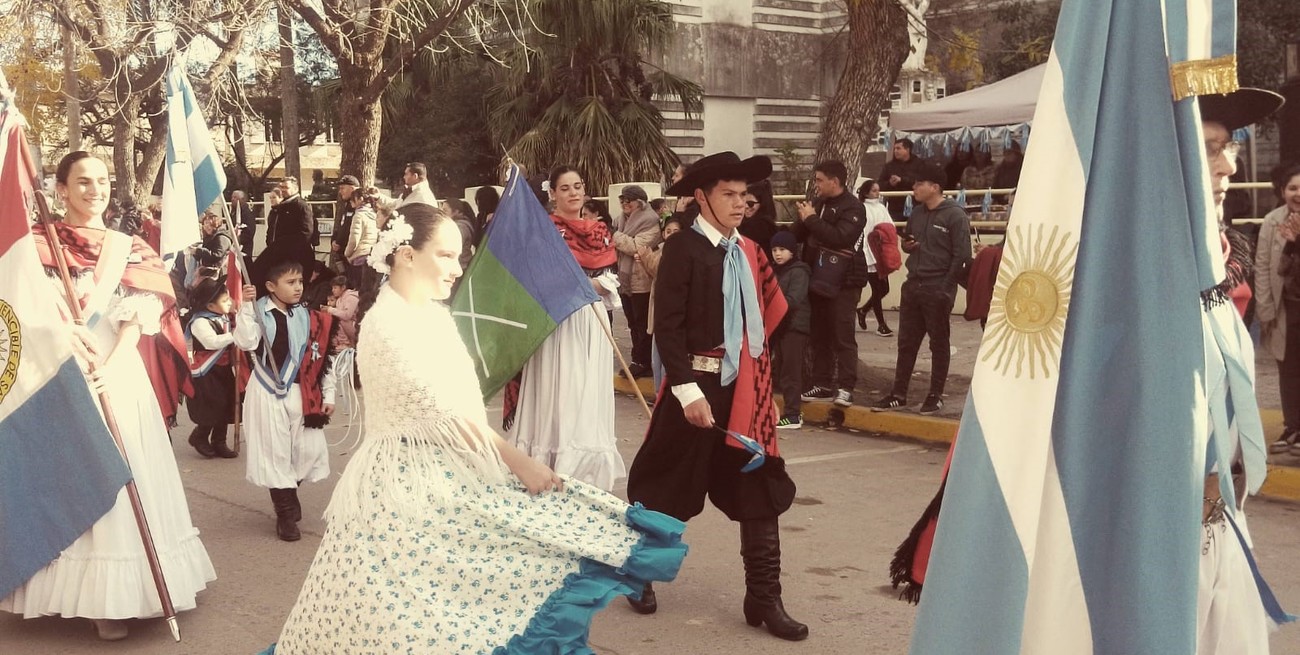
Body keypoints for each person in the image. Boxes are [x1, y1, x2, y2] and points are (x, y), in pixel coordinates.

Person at [255, 205, 686, 655]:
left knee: (447, 606)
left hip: (444, 469)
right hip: (405, 487)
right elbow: (442, 415)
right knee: (406, 619)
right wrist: (519, 462)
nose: (457, 269)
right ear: (405, 255)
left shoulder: (426, 313)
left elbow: (458, 407)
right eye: (445, 256)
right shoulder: (389, 323)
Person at [1, 152, 215, 641]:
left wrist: (114, 364)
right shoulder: (35, 247)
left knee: (124, 468)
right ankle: (84, 596)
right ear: (60, 189)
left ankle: (128, 591)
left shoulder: (131, 247)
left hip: (117, 371)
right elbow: (18, 308)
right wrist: (57, 335)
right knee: (71, 470)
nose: (94, 189)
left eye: (101, 180)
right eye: (82, 181)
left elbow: (140, 315)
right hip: (58, 369)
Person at [625, 151, 806, 641]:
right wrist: (687, 391)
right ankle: (639, 575)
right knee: (664, 487)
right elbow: (668, 328)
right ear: (701, 197)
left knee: (758, 484)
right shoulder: (684, 249)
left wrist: (761, 384)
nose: (739, 203)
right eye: (727, 194)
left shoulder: (750, 250)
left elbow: (776, 314)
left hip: (742, 389)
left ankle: (765, 597)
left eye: (743, 195)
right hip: (694, 387)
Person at [505, 167, 625, 491]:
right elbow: (536, 276)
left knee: (587, 387)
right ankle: (550, 464)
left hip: (592, 318)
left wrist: (596, 284)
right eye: (565, 188)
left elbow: (612, 275)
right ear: (553, 194)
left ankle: (586, 469)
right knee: (561, 386)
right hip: (557, 319)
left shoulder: (601, 231)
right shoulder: (544, 230)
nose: (573, 193)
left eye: (578, 186)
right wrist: (578, 284)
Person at [234, 237, 338, 542]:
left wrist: (328, 394)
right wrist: (244, 308)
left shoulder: (309, 317)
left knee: (308, 450)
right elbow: (246, 342)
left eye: (300, 281)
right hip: (267, 390)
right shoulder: (257, 312)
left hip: (301, 392)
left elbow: (321, 360)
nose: (298, 287)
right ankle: (285, 513)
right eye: (290, 282)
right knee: (275, 452)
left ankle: (289, 494)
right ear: (270, 286)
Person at [872, 165, 971, 416]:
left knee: (938, 343)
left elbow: (962, 255)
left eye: (919, 184)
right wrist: (908, 245)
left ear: (935, 187)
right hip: (913, 284)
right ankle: (898, 393)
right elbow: (909, 244)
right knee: (906, 343)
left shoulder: (955, 216)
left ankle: (935, 395)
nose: (914, 188)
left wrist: (945, 287)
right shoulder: (916, 213)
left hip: (937, 286)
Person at [793, 159, 868, 408]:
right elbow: (798, 234)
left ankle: (846, 386)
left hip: (844, 281)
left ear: (834, 182)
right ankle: (822, 383)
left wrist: (812, 220)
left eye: (819, 180)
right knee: (820, 333)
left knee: (842, 334)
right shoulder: (819, 204)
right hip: (818, 278)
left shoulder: (853, 208)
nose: (816, 186)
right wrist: (801, 220)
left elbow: (840, 238)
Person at [1260, 163, 1300, 454]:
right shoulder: (1273, 221)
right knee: (1288, 368)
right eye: (1292, 187)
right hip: (1287, 307)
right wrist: (1265, 309)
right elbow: (1263, 266)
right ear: (1283, 192)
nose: (1298, 193)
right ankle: (1293, 427)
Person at [185, 276, 240, 459]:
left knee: (225, 405)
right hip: (207, 371)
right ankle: (200, 436)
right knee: (213, 406)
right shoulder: (200, 322)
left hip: (223, 369)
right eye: (225, 301)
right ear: (210, 306)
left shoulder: (223, 317)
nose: (229, 302)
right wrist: (235, 335)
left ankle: (220, 441)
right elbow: (211, 342)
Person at [613, 184, 661, 378]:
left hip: (643, 281)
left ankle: (642, 361)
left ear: (640, 203)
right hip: (625, 280)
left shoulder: (651, 222)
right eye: (622, 200)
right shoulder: (621, 221)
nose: (625, 204)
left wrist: (614, 235)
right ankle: (638, 360)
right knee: (632, 323)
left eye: (629, 200)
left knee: (642, 324)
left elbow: (635, 247)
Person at [637, 216, 685, 393]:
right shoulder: (661, 251)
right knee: (656, 360)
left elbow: (661, 270)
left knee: (668, 362)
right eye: (668, 231)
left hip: (674, 316)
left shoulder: (682, 253)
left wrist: (646, 258)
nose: (672, 235)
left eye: (676, 231)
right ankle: (659, 396)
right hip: (658, 312)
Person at [770, 230, 810, 430]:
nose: (777, 254)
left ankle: (793, 414)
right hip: (780, 326)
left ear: (792, 251)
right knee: (782, 370)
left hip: (794, 327)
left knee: (791, 372)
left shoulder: (799, 271)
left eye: (782, 249)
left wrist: (771, 305)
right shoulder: (776, 271)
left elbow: (793, 300)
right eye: (775, 249)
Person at [856, 179, 898, 336]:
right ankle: (881, 324)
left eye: (878, 190)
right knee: (877, 288)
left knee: (884, 289)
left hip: (882, 251)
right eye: (874, 190)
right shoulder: (862, 208)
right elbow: (864, 231)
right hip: (869, 252)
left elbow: (890, 225)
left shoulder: (881, 207)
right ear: (866, 192)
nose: (877, 193)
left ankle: (863, 310)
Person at [878, 138, 927, 220]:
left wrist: (902, 180)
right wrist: (890, 184)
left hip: (916, 205)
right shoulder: (889, 166)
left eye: (898, 148)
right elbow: (880, 184)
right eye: (894, 149)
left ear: (907, 149)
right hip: (895, 207)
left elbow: (923, 182)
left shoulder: (919, 164)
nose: (895, 151)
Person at [343, 185, 379, 289]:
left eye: (353, 199)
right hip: (371, 255)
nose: (351, 201)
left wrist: (347, 253)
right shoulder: (374, 214)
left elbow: (354, 239)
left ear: (360, 199)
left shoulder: (359, 215)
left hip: (359, 257)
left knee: (358, 290)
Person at [267, 177, 314, 248]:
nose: (283, 190)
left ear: (295, 189)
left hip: (295, 254)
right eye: (281, 187)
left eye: (286, 187)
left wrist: (291, 249)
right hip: (278, 252)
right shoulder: (280, 206)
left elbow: (306, 233)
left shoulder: (301, 206)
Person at [741, 178, 779, 258]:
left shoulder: (758, 227)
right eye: (743, 202)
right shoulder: (768, 224)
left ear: (762, 204)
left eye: (750, 203)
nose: (746, 206)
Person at [330, 175, 359, 274]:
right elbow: (341, 225)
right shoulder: (346, 205)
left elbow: (353, 230)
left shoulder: (359, 207)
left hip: (353, 255)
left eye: (343, 188)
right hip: (343, 253)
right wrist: (334, 240)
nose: (340, 191)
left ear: (352, 188)